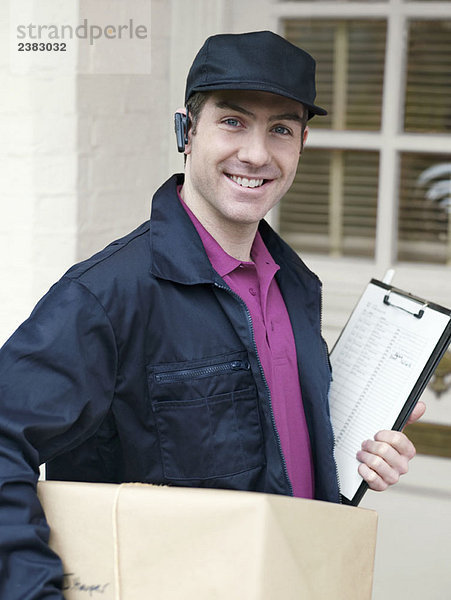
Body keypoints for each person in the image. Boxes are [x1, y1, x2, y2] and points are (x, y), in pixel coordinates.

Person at [0, 30, 424, 597]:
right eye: (233, 121)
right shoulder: (108, 296)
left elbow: (277, 457)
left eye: (281, 129)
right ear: (186, 130)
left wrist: (360, 454)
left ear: (302, 143)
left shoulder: (296, 286)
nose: (256, 153)